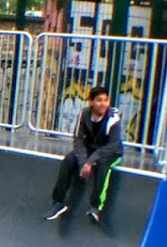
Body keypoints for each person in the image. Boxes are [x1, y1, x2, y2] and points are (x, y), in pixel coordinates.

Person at [45, 85, 124, 224]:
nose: (103, 104)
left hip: (112, 152)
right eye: (99, 100)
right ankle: (58, 202)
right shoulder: (84, 114)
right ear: (91, 102)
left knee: (102, 166)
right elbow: (78, 140)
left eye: (106, 100)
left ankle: (96, 207)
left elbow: (113, 144)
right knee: (68, 161)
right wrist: (82, 163)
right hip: (91, 148)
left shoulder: (113, 117)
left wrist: (89, 162)